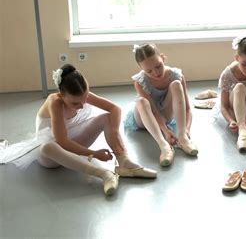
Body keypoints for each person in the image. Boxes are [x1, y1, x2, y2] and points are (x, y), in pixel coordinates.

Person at [0, 64, 157, 196]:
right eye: (76, 103)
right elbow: (61, 141)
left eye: (84, 99)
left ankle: (124, 162)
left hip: (73, 142)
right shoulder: (55, 102)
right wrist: (94, 154)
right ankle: (104, 174)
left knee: (106, 117)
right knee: (48, 147)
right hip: (53, 154)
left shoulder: (82, 95)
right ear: (62, 95)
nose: (82, 106)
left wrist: (114, 132)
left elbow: (115, 108)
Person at [124, 43, 198, 167]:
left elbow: (187, 108)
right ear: (142, 69)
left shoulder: (176, 75)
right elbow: (154, 110)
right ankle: (164, 146)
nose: (156, 72)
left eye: (158, 66)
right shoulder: (140, 82)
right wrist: (166, 131)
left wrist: (186, 129)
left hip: (166, 113)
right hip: (145, 117)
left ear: (163, 58)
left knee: (176, 84)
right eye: (149, 71)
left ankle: (182, 138)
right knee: (141, 101)